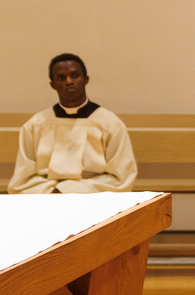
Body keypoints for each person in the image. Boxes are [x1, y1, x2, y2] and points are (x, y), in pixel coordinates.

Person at [8, 52, 136, 194]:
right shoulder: (35, 125)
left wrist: (66, 191)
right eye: (61, 78)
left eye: (74, 75)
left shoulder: (110, 124)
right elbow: (23, 179)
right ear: (52, 84)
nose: (69, 81)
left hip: (92, 197)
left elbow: (120, 178)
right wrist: (52, 193)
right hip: (46, 197)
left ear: (86, 79)